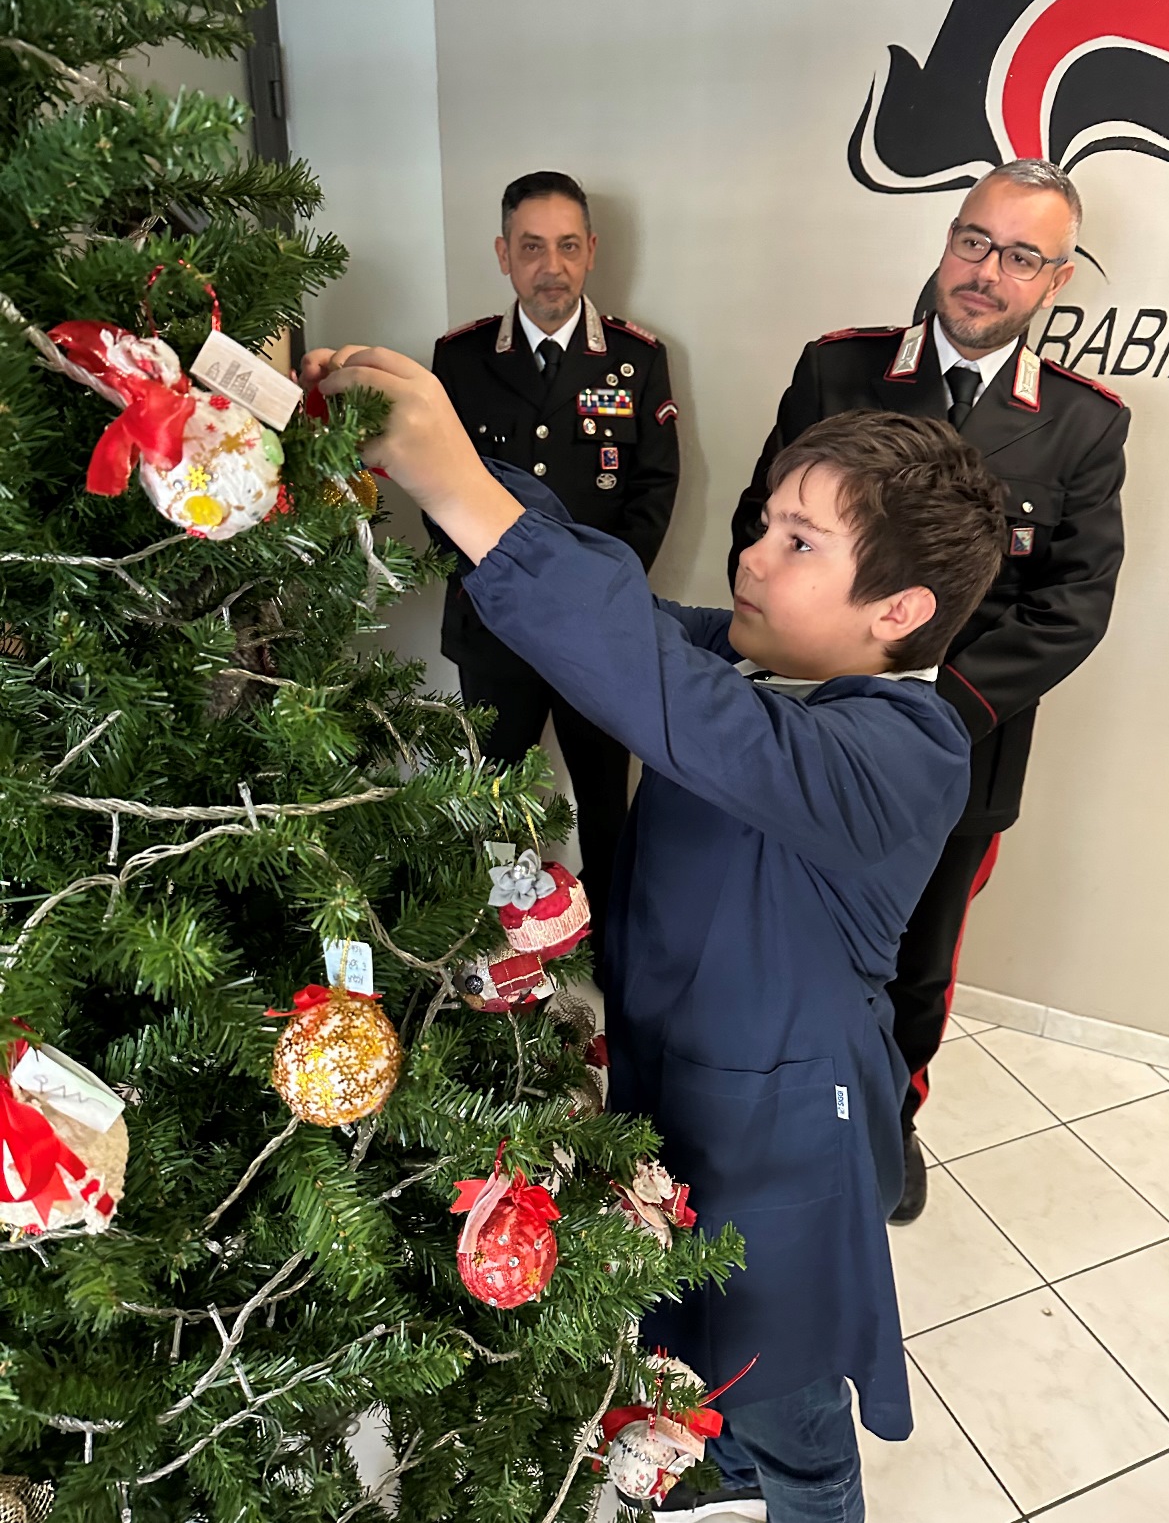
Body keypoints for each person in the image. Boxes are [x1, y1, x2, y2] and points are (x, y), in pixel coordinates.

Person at [304, 338, 1006, 1523]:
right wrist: (467, 470)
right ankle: (716, 1457)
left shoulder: (905, 750)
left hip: (785, 1118)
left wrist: (458, 488)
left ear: (899, 609)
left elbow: (673, 703)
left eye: (797, 542)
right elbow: (615, 613)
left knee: (783, 1380)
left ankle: (799, 1489)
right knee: (683, 1309)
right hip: (676, 1065)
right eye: (765, 521)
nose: (751, 553)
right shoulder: (744, 655)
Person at [729, 159, 1129, 1224]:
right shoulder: (839, 371)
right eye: (972, 240)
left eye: (1020, 256)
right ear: (946, 241)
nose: (985, 270)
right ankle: (773, 1104)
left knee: (916, 956)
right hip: (810, 725)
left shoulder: (1082, 425)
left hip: (961, 750)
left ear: (1054, 278)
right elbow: (757, 526)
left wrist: (921, 712)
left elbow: (1071, 606)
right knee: (784, 924)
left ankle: (888, 1119)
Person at [431, 171, 680, 949]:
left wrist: (596, 593)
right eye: (532, 247)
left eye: (568, 246)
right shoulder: (461, 358)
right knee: (498, 796)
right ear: (504, 255)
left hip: (600, 633)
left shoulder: (637, 359)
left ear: (592, 252)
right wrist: (507, 588)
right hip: (494, 628)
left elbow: (655, 485)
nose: (552, 266)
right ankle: (512, 943)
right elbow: (437, 489)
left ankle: (615, 948)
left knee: (606, 795)